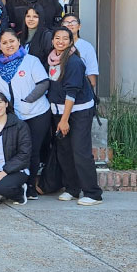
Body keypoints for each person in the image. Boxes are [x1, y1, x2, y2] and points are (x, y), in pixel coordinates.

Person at [0, 29, 51, 199]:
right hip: (15, 116)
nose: (9, 45)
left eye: (12, 41)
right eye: (4, 43)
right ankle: (16, 183)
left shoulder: (30, 60)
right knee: (16, 151)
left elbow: (43, 83)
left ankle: (30, 187)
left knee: (33, 151)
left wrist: (28, 100)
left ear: (18, 42)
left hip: (37, 113)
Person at [46, 27, 102, 205]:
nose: (60, 41)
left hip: (78, 112)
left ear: (71, 42)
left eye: (65, 39)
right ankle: (73, 188)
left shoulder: (74, 62)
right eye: (57, 38)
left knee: (80, 151)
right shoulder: (52, 58)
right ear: (53, 40)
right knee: (65, 151)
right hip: (59, 111)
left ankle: (93, 193)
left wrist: (64, 120)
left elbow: (72, 93)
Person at [62, 14, 98, 89]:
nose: (70, 24)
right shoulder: (58, 45)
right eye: (66, 22)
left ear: (79, 26)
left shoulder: (87, 47)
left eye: (73, 22)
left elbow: (91, 75)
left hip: (81, 90)